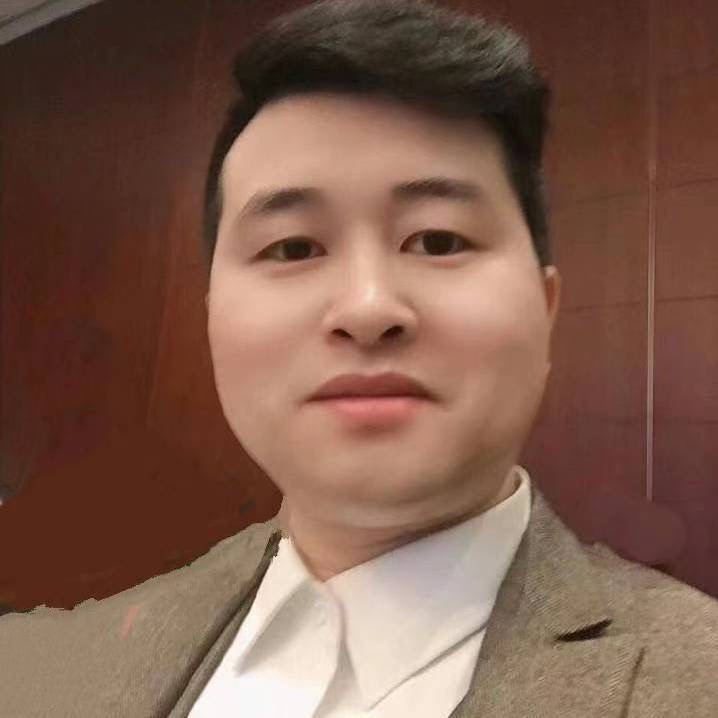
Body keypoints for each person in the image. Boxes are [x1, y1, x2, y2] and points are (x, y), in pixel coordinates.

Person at [3, 1, 717, 716]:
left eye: (438, 241)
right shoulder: (39, 670)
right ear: (213, 316)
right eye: (293, 247)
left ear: (546, 307)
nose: (368, 308)